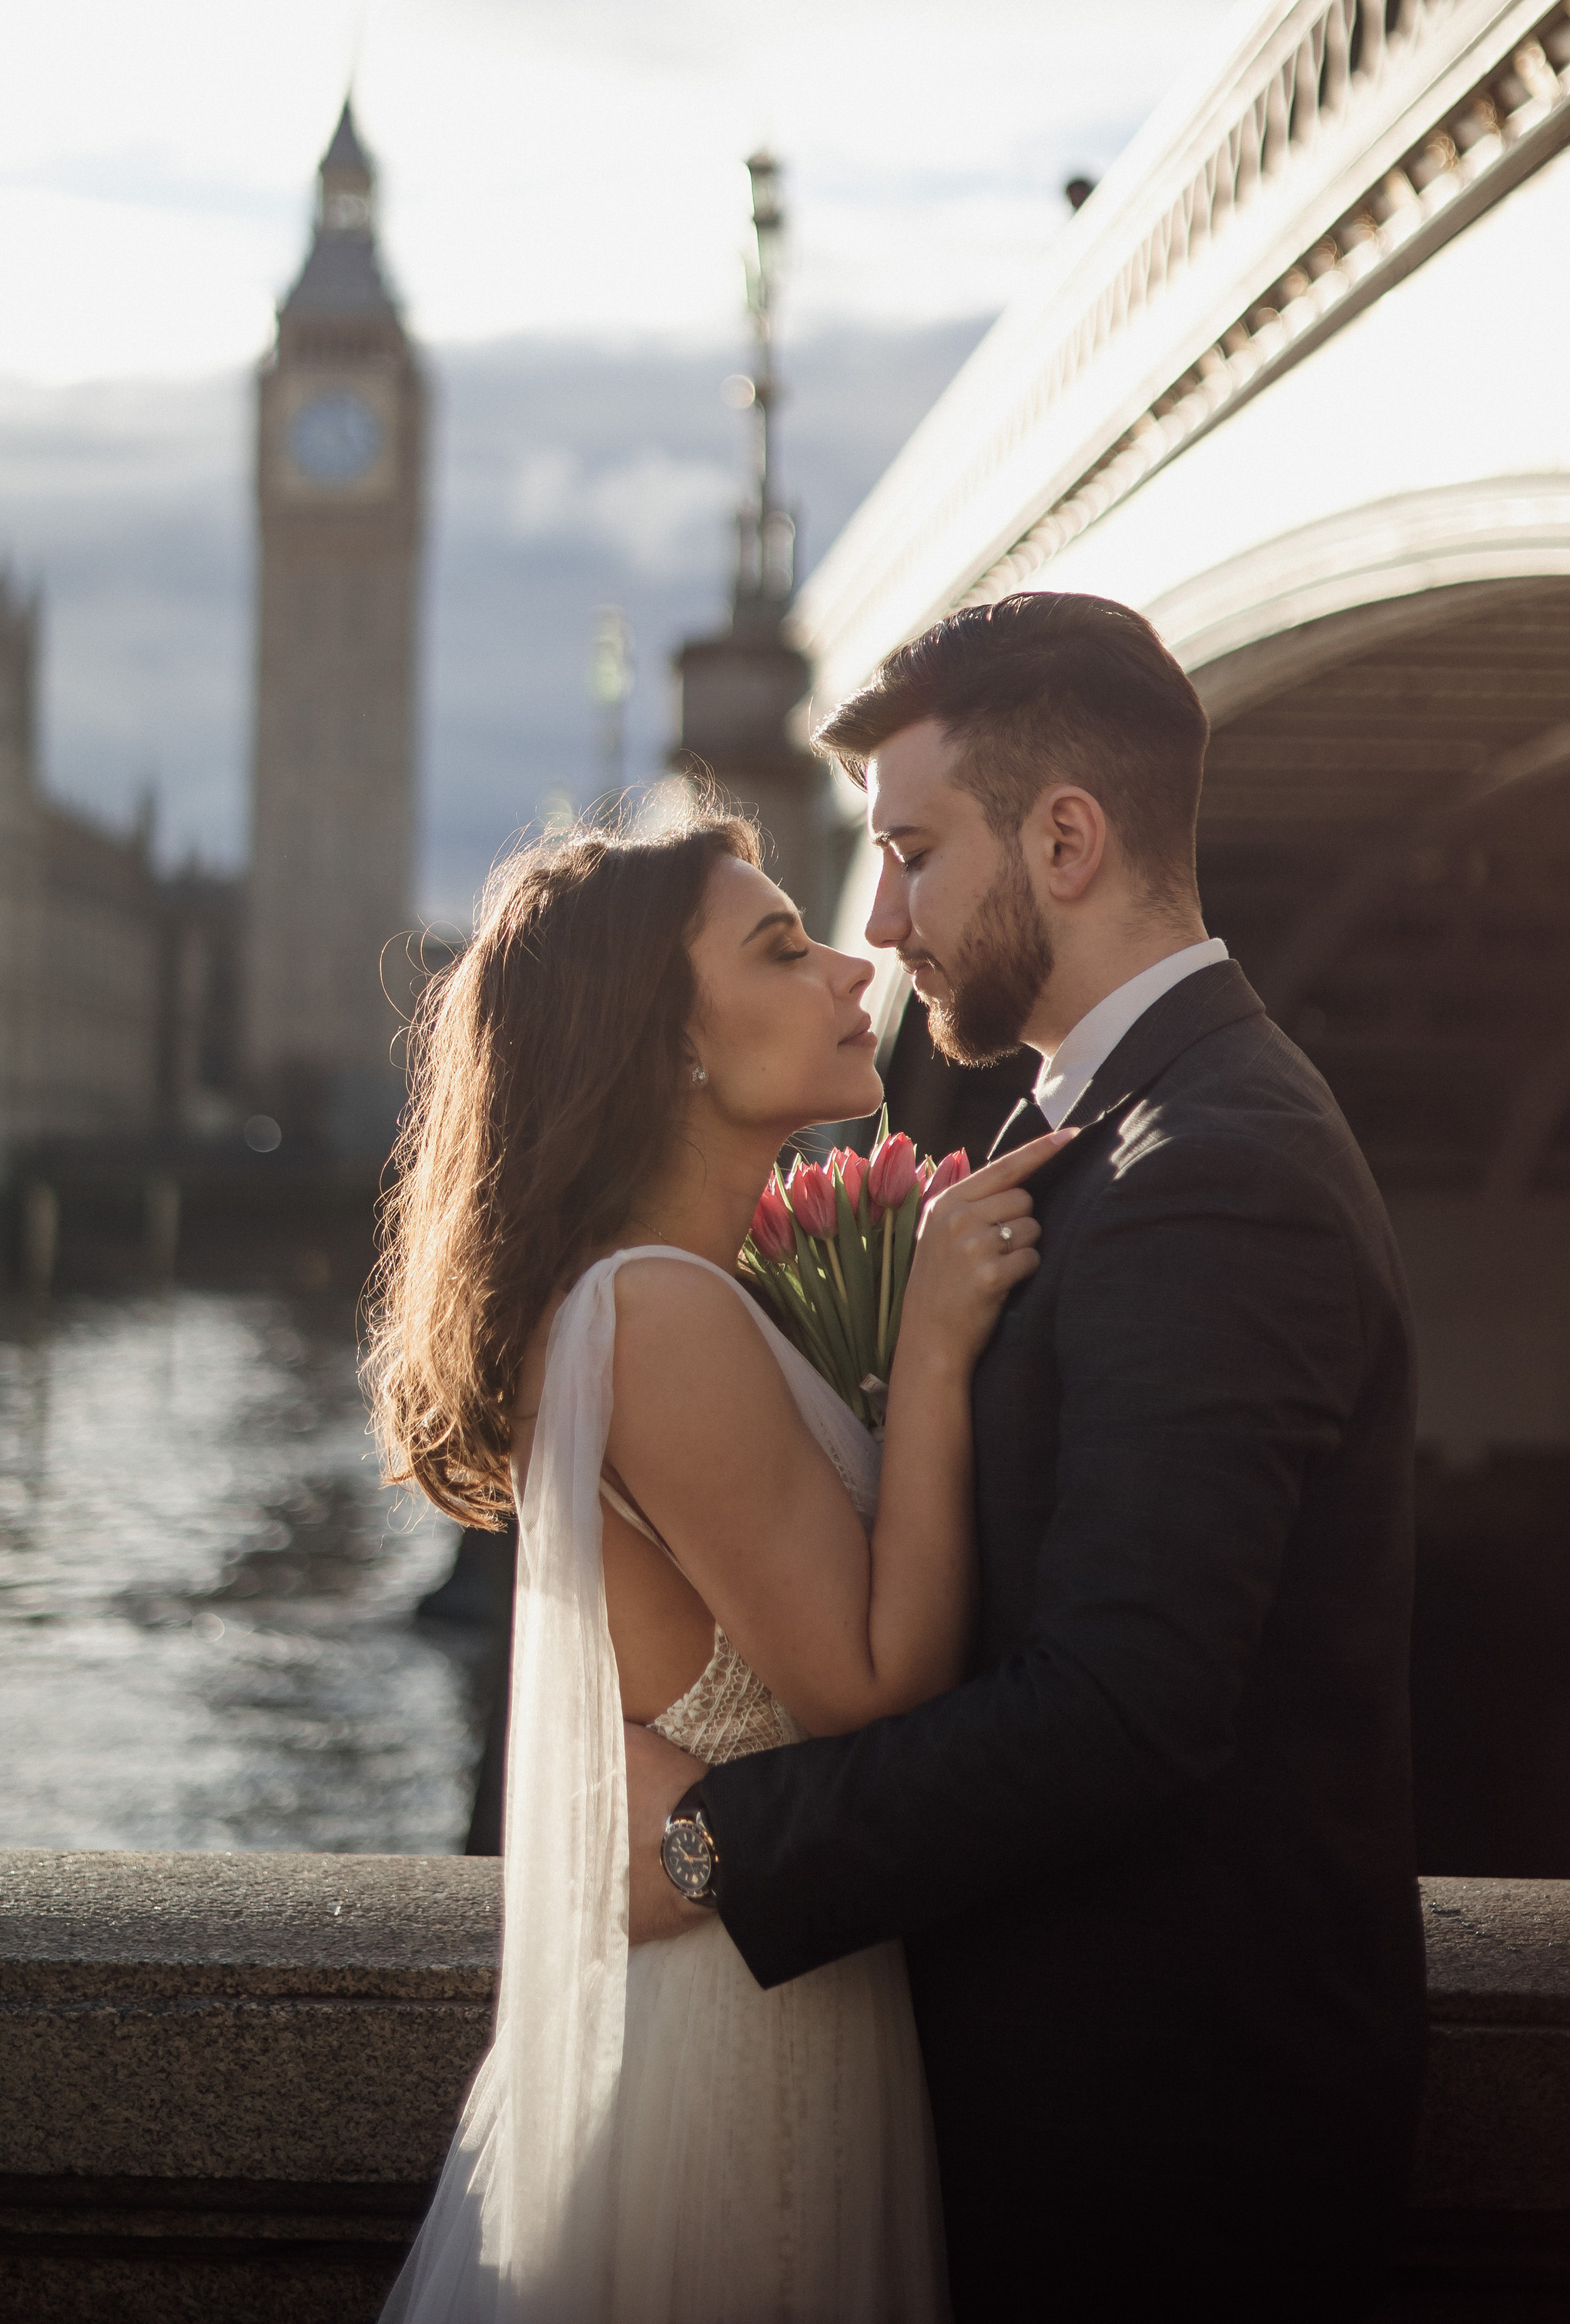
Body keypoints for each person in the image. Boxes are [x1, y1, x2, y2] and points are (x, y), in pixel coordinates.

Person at [625, 591, 1427, 2323]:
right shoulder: (1104, 1134)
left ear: (1063, 838)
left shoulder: (1206, 1168)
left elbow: (1128, 1701)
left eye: (911, 851)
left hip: (1172, 2168)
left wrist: (713, 1842)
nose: (880, 918)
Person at [365, 806, 1069, 2322]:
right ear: (666, 1042)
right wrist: (935, 1347)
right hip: (740, 2042)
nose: (847, 963)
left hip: (750, 1987)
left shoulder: (674, 1295)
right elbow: (874, 1684)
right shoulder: (655, 1314)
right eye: (778, 945)